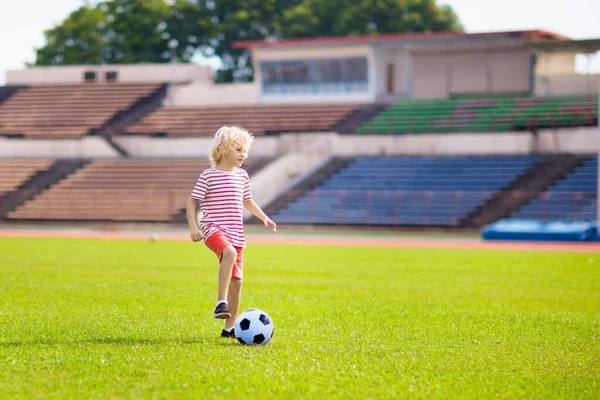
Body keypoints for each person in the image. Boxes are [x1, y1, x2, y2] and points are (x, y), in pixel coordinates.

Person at [185, 126, 276, 338]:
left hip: (236, 234)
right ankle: (220, 303)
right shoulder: (209, 175)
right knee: (230, 254)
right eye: (238, 149)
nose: (243, 154)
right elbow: (191, 202)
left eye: (245, 151)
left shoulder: (242, 176)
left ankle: (228, 329)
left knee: (237, 283)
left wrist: (264, 218)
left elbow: (248, 201)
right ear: (223, 149)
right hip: (213, 229)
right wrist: (193, 228)